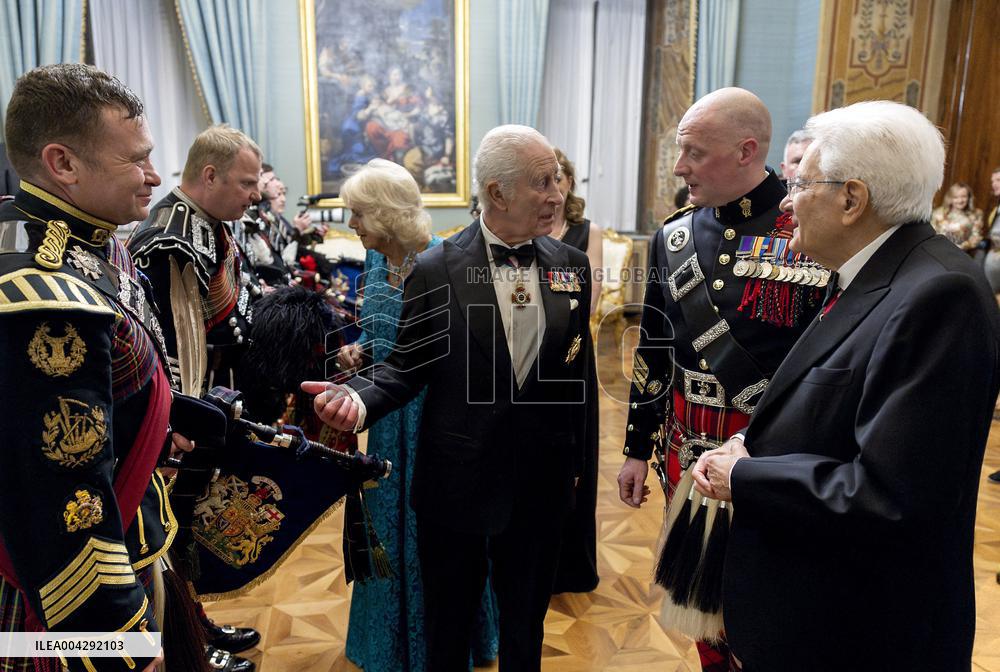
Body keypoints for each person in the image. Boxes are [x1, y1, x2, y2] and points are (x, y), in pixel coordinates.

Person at [692, 100, 1000, 672]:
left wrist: (747, 474)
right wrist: (752, 447)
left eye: (799, 184)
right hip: (819, 614)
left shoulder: (938, 296)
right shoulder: (882, 274)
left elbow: (892, 495)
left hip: (860, 633)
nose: (784, 202)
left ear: (852, 198)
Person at [303, 124, 597, 672]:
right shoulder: (437, 268)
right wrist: (358, 402)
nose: (557, 194)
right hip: (457, 482)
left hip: (541, 483)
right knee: (447, 628)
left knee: (525, 630)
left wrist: (578, 463)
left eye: (556, 178)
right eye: (542, 182)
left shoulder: (570, 265)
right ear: (497, 193)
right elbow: (406, 365)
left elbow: (574, 378)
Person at [616, 87, 821, 672]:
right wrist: (635, 449)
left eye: (693, 153)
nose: (679, 168)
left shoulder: (807, 226)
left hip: (772, 452)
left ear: (746, 151)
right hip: (687, 445)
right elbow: (653, 349)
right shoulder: (674, 235)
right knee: (700, 601)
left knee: (762, 600)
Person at [0, 63, 171, 672]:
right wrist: (115, 636)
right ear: (63, 164)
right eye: (137, 160)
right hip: (73, 587)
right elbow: (59, 491)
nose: (154, 177)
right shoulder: (43, 297)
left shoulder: (62, 230)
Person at [333, 158, 498, 670]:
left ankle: (448, 646)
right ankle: (385, 646)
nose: (352, 225)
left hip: (434, 419)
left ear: (384, 213)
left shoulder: (445, 264)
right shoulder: (375, 264)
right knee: (386, 524)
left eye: (358, 214)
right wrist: (358, 351)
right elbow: (377, 332)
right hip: (385, 420)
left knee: (441, 535)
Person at [128, 125, 263, 672]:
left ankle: (195, 623)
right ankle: (188, 645)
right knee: (169, 535)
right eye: (246, 182)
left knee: (183, 531)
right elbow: (169, 339)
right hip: (170, 419)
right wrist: (178, 422)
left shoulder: (203, 225)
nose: (255, 194)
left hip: (195, 405)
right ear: (209, 176)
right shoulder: (172, 237)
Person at [547, 148, 601, 595]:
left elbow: (590, 303)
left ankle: (569, 566)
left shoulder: (587, 234)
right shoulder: (523, 229)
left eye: (559, 177)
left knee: (574, 460)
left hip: (573, 357)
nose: (553, 187)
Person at [931, 182, 983, 252]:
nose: (960, 200)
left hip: (961, 254)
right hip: (938, 251)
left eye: (964, 196)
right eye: (956, 197)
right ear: (950, 198)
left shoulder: (976, 214)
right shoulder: (937, 213)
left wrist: (962, 246)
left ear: (969, 197)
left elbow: (976, 237)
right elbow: (931, 234)